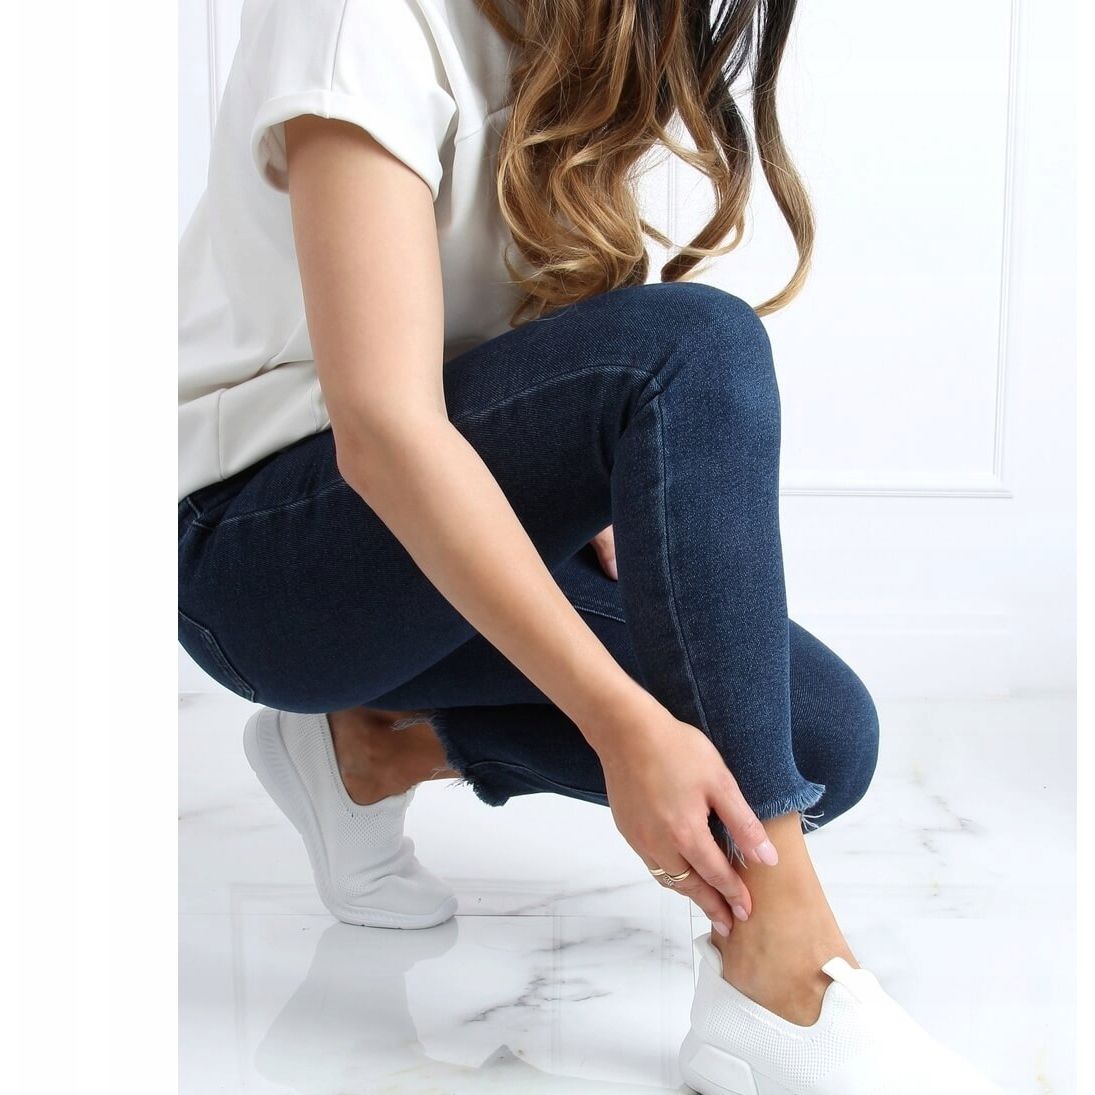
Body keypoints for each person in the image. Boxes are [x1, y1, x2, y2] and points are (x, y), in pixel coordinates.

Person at [178, 2, 1003, 1092]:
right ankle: (781, 976)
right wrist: (618, 722)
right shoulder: (360, 19)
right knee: (697, 342)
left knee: (816, 740)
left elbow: (531, 342)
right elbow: (381, 429)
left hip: (428, 532)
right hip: (256, 556)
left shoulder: (575, 31)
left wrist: (596, 481)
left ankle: (373, 749)